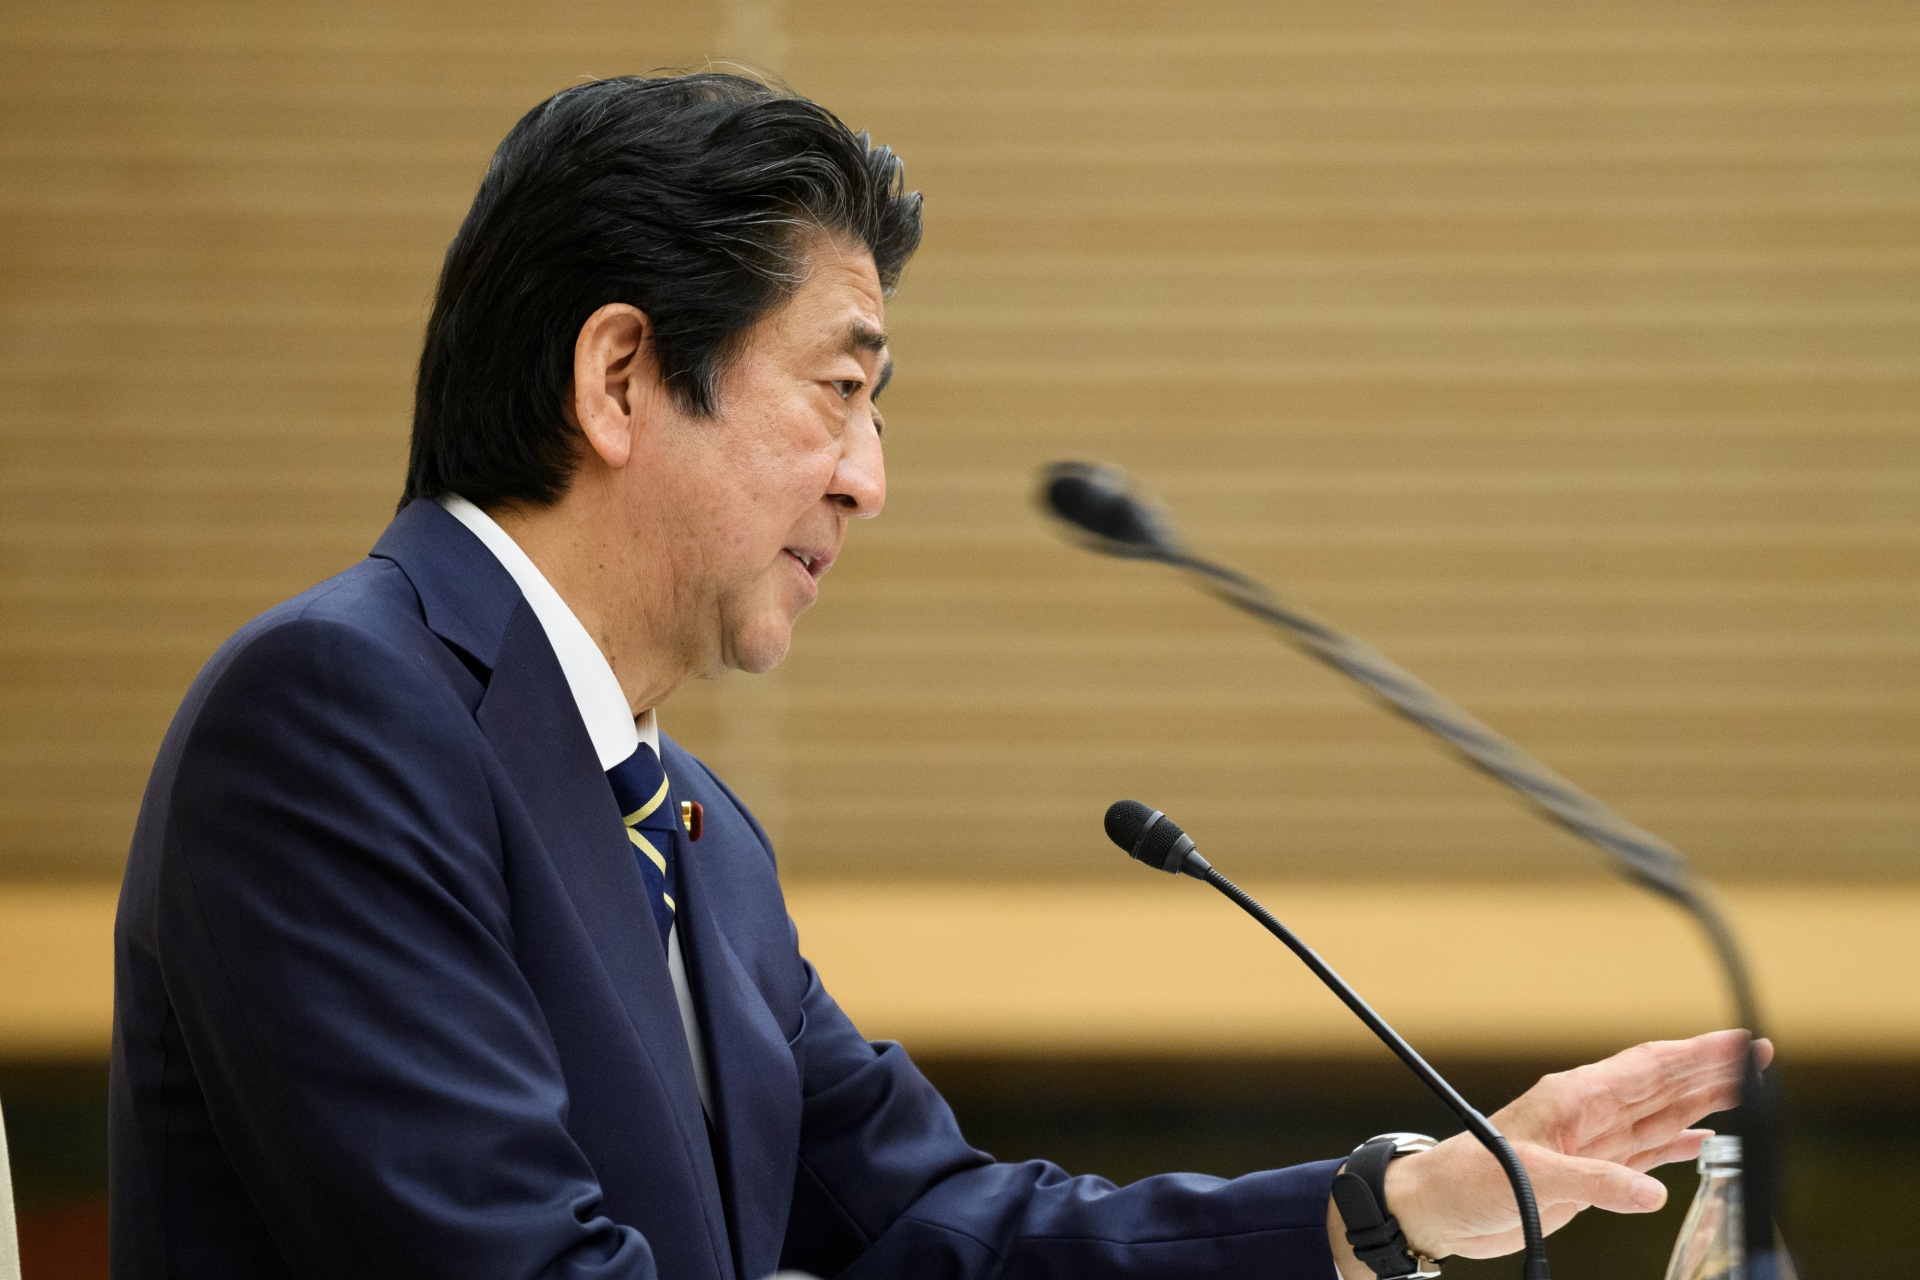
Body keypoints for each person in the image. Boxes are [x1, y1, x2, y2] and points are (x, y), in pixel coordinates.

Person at [109, 72, 1758, 1280]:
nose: (870, 478)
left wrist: (1387, 1208)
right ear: (620, 378)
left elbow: (932, 1223)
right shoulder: (340, 719)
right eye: (839, 389)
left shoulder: (697, 834)